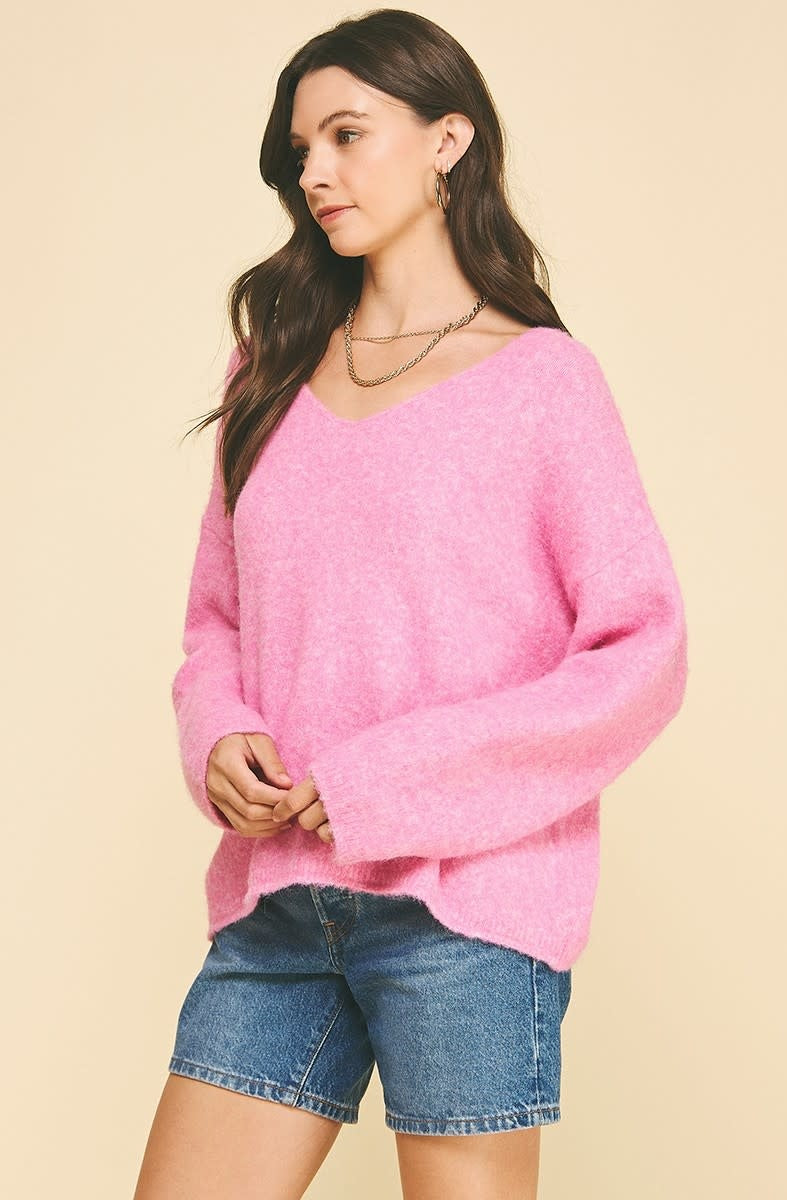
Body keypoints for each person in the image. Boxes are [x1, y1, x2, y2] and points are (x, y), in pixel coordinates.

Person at [133, 9, 688, 1200]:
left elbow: (638, 653)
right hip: (281, 898)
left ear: (448, 139)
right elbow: (215, 620)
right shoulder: (268, 367)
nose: (314, 172)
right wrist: (218, 732)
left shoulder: (542, 383)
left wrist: (387, 779)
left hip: (468, 909)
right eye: (300, 150)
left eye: (346, 135)